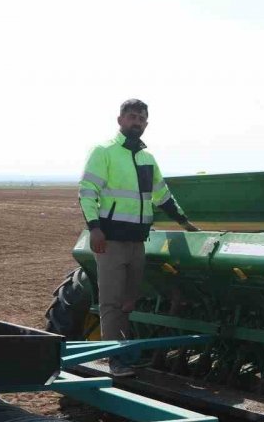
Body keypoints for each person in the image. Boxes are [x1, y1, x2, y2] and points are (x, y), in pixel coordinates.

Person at [78, 98, 199, 377]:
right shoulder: (104, 151)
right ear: (120, 120)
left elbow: (162, 194)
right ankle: (115, 360)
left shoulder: (147, 159)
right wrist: (94, 228)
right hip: (110, 240)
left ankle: (125, 353)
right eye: (132, 116)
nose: (137, 122)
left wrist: (183, 221)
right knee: (111, 301)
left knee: (129, 300)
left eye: (141, 118)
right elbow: (87, 190)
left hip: (137, 241)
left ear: (147, 123)